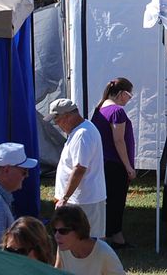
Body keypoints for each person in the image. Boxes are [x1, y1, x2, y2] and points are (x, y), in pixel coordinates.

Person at [48, 99, 106, 238]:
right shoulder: (80, 131)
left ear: (67, 116)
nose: (57, 124)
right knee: (75, 239)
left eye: (57, 119)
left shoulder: (82, 134)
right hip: (81, 199)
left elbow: (80, 168)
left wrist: (65, 197)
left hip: (83, 201)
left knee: (86, 240)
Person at [91, 78, 136, 248]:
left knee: (109, 200)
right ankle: (115, 237)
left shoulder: (99, 108)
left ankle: (112, 235)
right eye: (129, 96)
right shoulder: (117, 112)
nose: (129, 99)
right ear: (122, 93)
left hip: (104, 162)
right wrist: (128, 167)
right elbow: (119, 141)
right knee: (116, 201)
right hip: (115, 164)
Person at [52, 205, 125, 275]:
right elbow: (56, 272)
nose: (57, 236)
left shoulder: (104, 253)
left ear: (78, 230)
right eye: (55, 231)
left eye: (63, 231)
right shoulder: (64, 248)